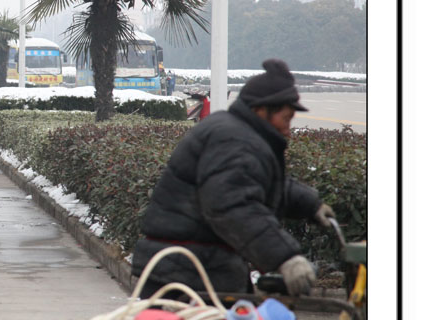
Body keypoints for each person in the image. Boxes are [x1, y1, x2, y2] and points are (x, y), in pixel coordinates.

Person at [131, 59, 335, 299]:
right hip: (188, 276)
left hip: (195, 269)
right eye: (286, 119)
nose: (288, 130)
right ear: (261, 110)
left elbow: (261, 183)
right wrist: (285, 257)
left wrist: (310, 204)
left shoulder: (236, 133)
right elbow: (232, 205)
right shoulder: (234, 140)